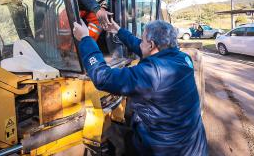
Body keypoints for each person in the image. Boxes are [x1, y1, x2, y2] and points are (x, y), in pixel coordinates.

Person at [72, 19, 208, 155]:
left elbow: (103, 78)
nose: (140, 43)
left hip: (164, 150)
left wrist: (85, 39)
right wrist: (118, 31)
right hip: (193, 146)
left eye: (142, 40)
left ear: (152, 45)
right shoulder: (183, 58)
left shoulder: (152, 73)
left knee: (112, 135)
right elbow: (142, 48)